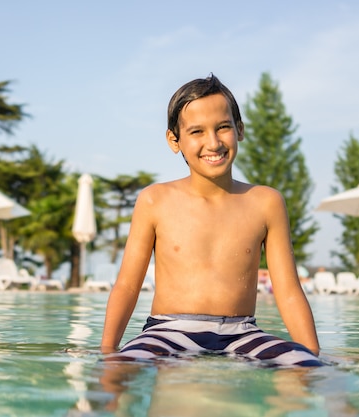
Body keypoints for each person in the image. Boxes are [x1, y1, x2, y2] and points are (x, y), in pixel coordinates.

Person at [100, 74, 321, 367]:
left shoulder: (266, 202)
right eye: (197, 132)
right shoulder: (155, 200)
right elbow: (127, 285)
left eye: (223, 127)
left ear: (239, 130)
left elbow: (289, 291)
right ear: (174, 140)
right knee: (119, 367)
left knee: (307, 366)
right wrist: (107, 350)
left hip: (242, 333)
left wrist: (312, 356)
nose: (213, 142)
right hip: (168, 330)